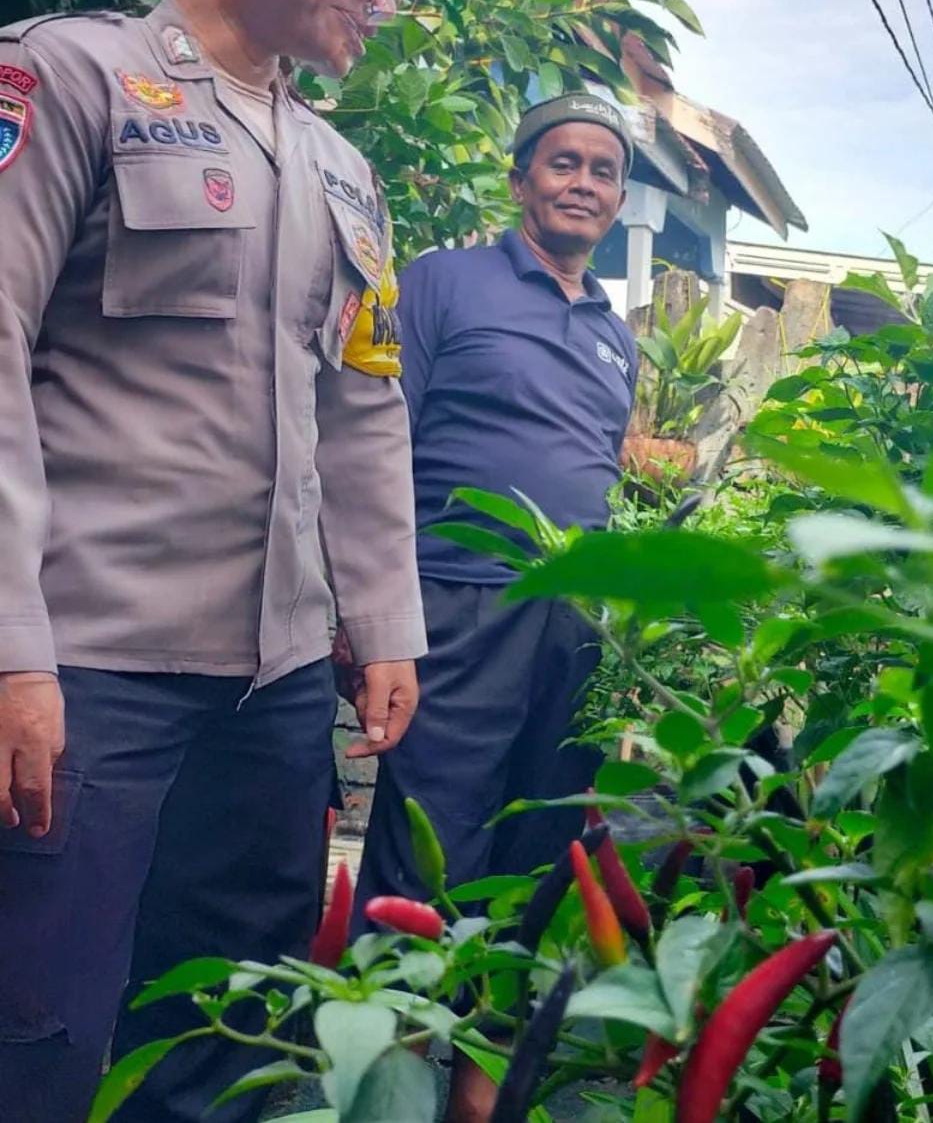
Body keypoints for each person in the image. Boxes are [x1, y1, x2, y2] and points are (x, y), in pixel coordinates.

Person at [0, 0, 427, 1122]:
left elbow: (363, 407)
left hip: (277, 696)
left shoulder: (347, 173)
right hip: (91, 671)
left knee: (227, 1028)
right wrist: (12, 649)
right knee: (42, 1028)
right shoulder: (69, 80)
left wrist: (386, 620)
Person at [353, 92, 639, 1122]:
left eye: (604, 171)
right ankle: (386, 1082)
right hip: (457, 607)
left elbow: (598, 473)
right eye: (563, 163)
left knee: (537, 857)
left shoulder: (617, 337)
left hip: (576, 630)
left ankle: (480, 1100)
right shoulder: (439, 285)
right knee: (429, 842)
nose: (584, 184)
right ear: (521, 180)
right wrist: (375, 615)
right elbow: (373, 441)